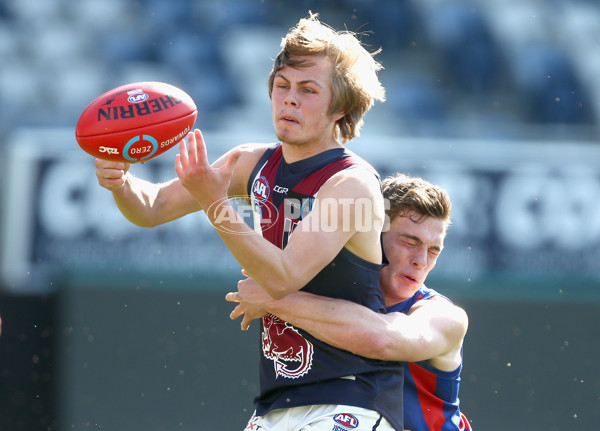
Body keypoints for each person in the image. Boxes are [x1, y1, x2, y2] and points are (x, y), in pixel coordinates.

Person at [95, 13, 404, 431]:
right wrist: (121, 182)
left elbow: (282, 277)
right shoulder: (250, 162)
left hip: (351, 397)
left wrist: (215, 203)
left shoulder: (350, 184)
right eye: (282, 86)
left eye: (308, 90)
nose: (289, 99)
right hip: (277, 405)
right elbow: (151, 209)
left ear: (341, 107)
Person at [227, 173, 474, 431]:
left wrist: (273, 297)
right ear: (374, 235)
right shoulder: (329, 294)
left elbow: (382, 340)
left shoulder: (446, 317)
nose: (421, 261)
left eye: (434, 251)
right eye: (409, 242)